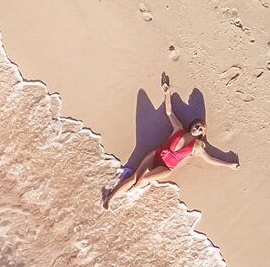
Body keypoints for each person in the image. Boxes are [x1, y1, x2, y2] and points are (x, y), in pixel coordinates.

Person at [102, 78, 239, 209]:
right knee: (134, 178)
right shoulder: (178, 129)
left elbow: (211, 159)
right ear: (192, 126)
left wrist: (229, 164)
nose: (197, 128)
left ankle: (130, 191)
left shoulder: (197, 147)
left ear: (202, 133)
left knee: (143, 179)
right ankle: (110, 199)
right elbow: (169, 112)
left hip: (165, 167)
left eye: (200, 128)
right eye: (197, 125)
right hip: (155, 155)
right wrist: (167, 94)